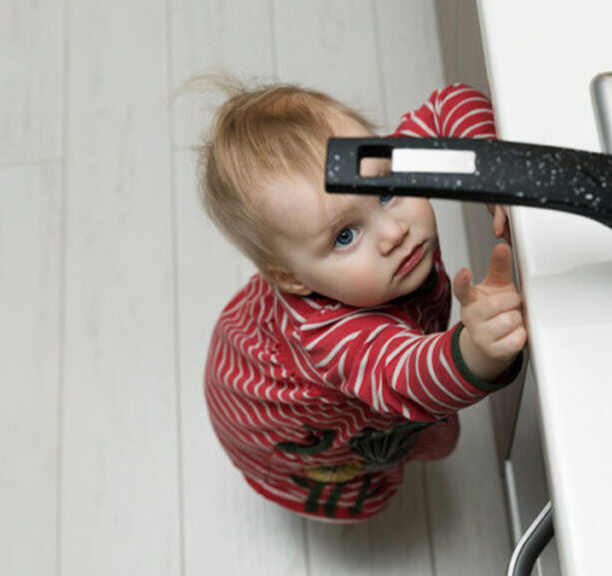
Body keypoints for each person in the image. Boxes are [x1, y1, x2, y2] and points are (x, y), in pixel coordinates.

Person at [198, 80, 525, 523]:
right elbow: (408, 375)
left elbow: (452, 104)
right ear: (291, 278)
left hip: (259, 337)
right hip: (287, 425)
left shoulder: (372, 169)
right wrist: (477, 350)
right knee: (357, 469)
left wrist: (491, 171)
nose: (394, 234)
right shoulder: (331, 338)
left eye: (387, 191)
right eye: (345, 236)